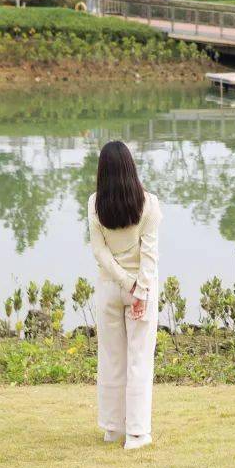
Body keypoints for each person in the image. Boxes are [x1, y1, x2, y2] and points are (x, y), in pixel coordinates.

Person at [88, 141, 162, 451]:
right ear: (131, 167)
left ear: (102, 171)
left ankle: (113, 428)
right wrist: (139, 289)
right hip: (140, 291)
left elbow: (100, 252)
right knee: (139, 360)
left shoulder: (95, 203)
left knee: (112, 359)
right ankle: (137, 432)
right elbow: (150, 254)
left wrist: (122, 282)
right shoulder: (149, 203)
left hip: (109, 289)